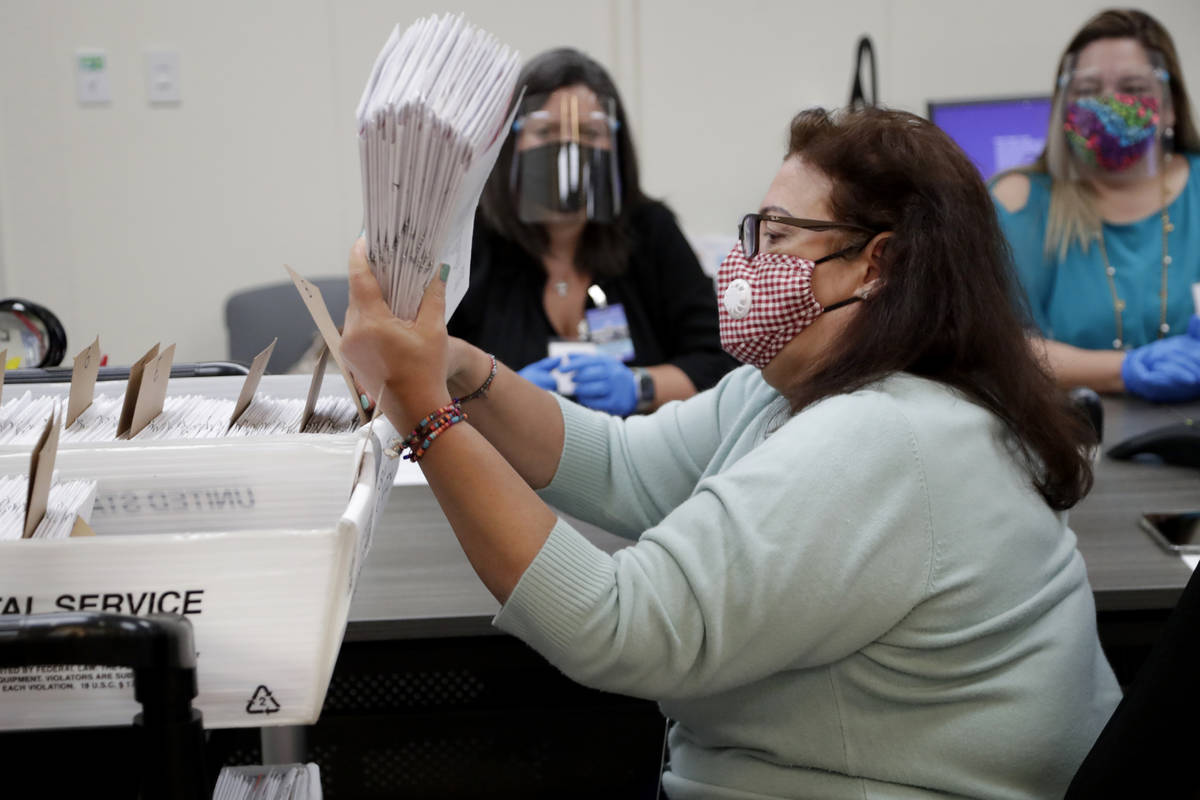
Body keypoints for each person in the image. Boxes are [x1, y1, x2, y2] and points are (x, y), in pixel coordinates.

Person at [342, 107, 1120, 798]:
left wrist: (426, 416)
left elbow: (618, 624)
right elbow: (621, 465)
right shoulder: (795, 385)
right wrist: (457, 365)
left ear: (874, 266)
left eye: (777, 236)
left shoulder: (884, 437)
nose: (745, 259)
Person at [447, 47, 736, 416]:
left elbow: (720, 359)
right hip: (502, 461)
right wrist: (497, 394)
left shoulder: (650, 230)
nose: (569, 150)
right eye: (547, 131)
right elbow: (423, 376)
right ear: (512, 142)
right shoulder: (471, 242)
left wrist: (640, 386)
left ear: (614, 144)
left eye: (589, 133)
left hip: (632, 454)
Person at [991, 8, 1200, 401]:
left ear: (1170, 106)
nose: (1110, 105)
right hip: (1070, 438)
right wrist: (1127, 370)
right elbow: (998, 347)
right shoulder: (1019, 203)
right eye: (1088, 90)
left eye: (1133, 87)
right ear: (1063, 106)